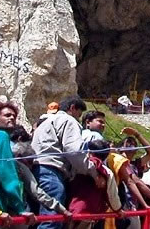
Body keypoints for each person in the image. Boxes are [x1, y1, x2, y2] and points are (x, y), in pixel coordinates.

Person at [32, 96, 104, 229]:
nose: (79, 118)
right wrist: (93, 172)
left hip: (35, 170)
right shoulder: (69, 121)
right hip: (53, 172)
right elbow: (74, 151)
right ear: (72, 108)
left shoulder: (45, 121)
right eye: (79, 114)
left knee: (39, 217)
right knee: (52, 219)